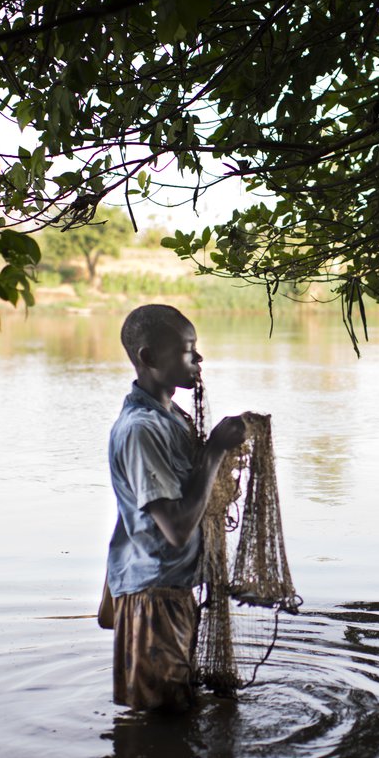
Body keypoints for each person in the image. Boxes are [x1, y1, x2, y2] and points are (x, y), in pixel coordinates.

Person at [103, 304, 246, 712]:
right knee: (163, 723)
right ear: (148, 358)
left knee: (174, 716)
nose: (198, 359)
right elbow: (178, 528)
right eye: (188, 350)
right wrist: (215, 451)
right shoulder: (141, 430)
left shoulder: (171, 417)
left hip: (170, 591)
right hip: (154, 599)